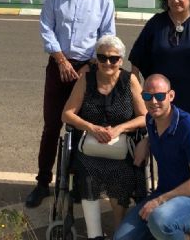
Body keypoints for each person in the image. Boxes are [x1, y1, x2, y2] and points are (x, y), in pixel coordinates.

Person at [25, 0, 115, 208]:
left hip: (88, 70)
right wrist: (61, 59)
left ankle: (77, 183)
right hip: (58, 66)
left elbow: (107, 36)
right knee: (51, 127)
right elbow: (46, 27)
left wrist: (91, 65)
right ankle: (43, 183)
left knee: (81, 130)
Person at [62, 35, 147, 239]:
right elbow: (67, 114)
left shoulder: (130, 80)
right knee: (87, 173)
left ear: (121, 60)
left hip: (121, 148)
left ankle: (119, 232)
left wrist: (120, 129)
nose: (107, 62)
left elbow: (146, 117)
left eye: (113, 58)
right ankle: (94, 234)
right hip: (90, 148)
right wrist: (91, 127)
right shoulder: (86, 79)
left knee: (123, 175)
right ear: (96, 59)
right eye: (102, 57)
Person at [114, 73, 190, 240]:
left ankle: (181, 233)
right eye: (148, 96)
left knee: (160, 220)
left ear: (171, 96)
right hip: (165, 195)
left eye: (160, 96)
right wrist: (146, 142)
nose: (153, 102)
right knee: (121, 238)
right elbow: (155, 131)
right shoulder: (151, 120)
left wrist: (160, 200)